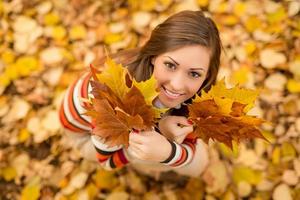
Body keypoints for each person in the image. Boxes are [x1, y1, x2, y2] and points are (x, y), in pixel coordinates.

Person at [59, 10, 221, 178]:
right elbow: (107, 161)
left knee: (195, 160)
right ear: (153, 56)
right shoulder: (113, 97)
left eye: (194, 74)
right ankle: (144, 165)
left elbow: (190, 141)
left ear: (207, 76)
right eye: (170, 65)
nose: (177, 84)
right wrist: (163, 149)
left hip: (133, 128)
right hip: (85, 136)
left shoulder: (198, 92)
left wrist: (167, 141)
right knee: (194, 164)